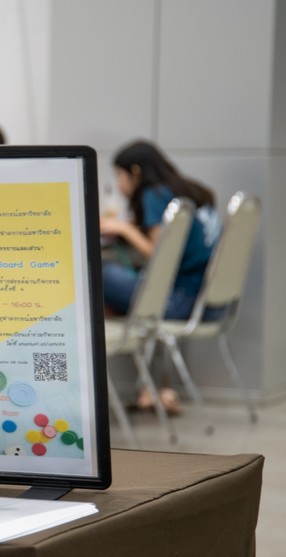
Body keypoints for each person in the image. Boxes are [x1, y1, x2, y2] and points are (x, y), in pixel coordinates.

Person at [100, 140, 222, 414]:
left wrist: (123, 228)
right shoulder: (190, 194)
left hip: (176, 303)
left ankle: (122, 370)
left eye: (119, 176)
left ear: (135, 172)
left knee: (99, 275)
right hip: (207, 302)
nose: (119, 186)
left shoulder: (153, 194)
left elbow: (157, 253)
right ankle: (152, 389)